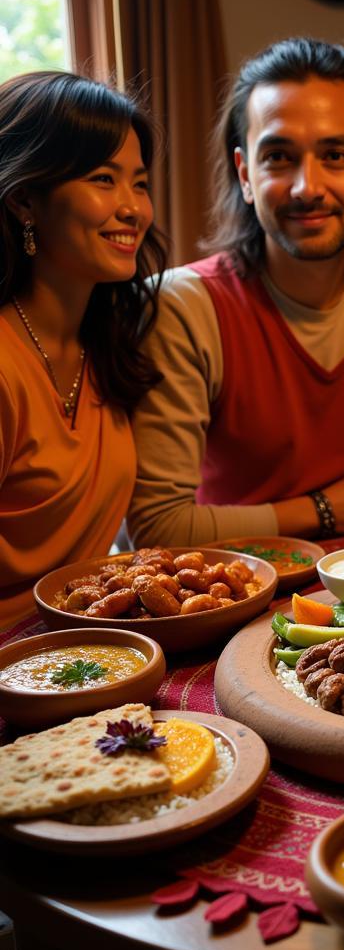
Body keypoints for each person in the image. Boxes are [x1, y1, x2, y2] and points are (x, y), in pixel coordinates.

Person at [127, 38, 344, 547]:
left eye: (334, 155)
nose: (307, 186)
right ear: (246, 174)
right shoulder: (183, 306)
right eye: (279, 157)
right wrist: (321, 511)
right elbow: (159, 527)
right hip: (225, 592)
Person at [0, 71, 165, 625]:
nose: (133, 209)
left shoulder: (113, 341)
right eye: (103, 178)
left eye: (139, 183)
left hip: (93, 641)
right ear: (25, 199)